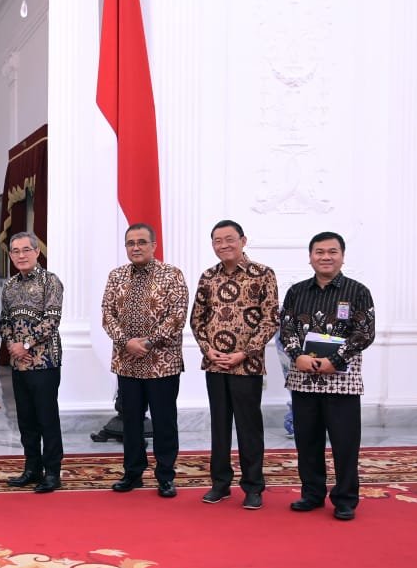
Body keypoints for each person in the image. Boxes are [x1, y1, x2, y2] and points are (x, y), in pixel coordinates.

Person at [280, 232, 375, 521]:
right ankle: (312, 494)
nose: (325, 257)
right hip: (303, 377)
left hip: (342, 380)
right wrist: (298, 356)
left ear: (342, 256)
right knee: (307, 441)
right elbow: (286, 328)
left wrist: (335, 360)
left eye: (332, 251)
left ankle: (345, 499)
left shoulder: (357, 291)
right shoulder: (297, 291)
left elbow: (364, 332)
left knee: (345, 443)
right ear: (310, 257)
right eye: (319, 252)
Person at [190, 219, 279, 510]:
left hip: (246, 365)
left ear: (243, 240)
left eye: (230, 239)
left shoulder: (262, 274)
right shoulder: (208, 276)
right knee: (219, 426)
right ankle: (220, 483)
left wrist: (246, 352)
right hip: (215, 365)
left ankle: (253, 486)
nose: (224, 245)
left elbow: (270, 319)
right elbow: (197, 319)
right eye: (217, 240)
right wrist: (208, 349)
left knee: (248, 427)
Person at [101, 223, 188, 497]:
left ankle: (165, 476)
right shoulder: (116, 276)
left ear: (154, 245)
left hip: (162, 362)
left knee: (163, 421)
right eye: (130, 243)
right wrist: (127, 342)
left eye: (141, 242)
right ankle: (133, 473)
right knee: (131, 421)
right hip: (127, 361)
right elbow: (107, 314)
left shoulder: (172, 275)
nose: (135, 247)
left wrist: (148, 342)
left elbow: (177, 315)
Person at [0, 232, 64, 493]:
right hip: (19, 365)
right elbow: (4, 321)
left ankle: (52, 473)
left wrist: (24, 344)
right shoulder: (9, 286)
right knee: (25, 419)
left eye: (26, 250)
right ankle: (31, 469)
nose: (21, 255)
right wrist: (13, 347)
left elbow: (52, 320)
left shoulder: (51, 282)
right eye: (15, 251)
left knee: (47, 419)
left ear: (37, 252)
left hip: (45, 363)